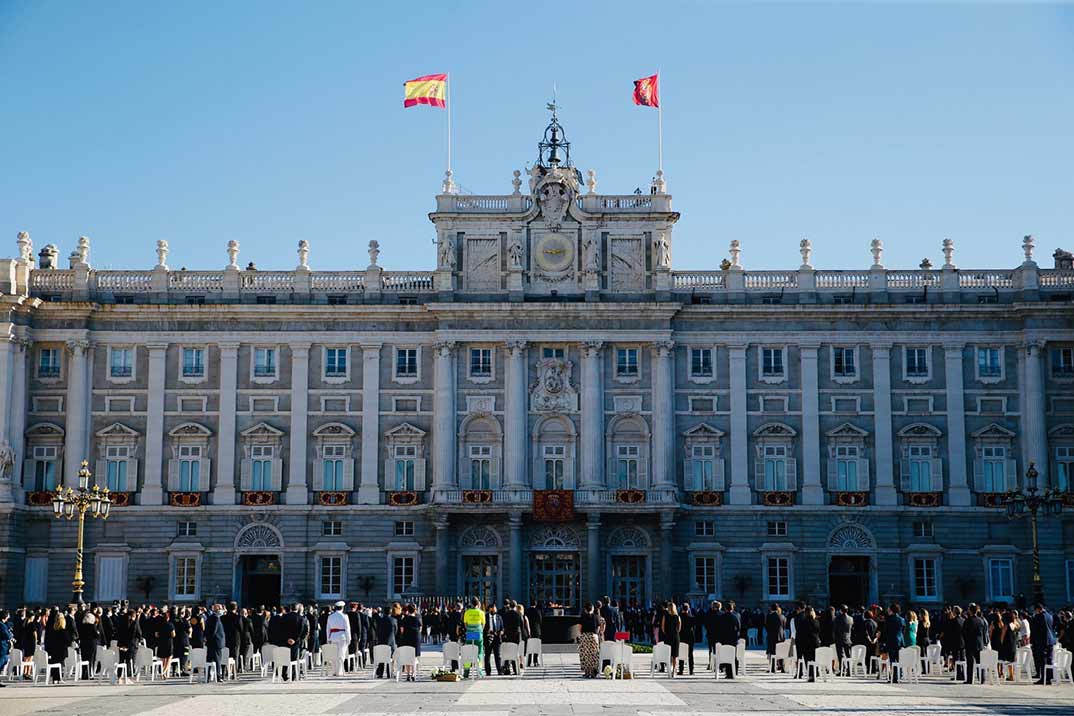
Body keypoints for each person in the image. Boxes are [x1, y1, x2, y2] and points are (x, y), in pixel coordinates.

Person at [961, 603, 988, 685]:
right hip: (980, 644)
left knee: (970, 662)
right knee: (980, 662)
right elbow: (984, 633)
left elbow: (964, 632)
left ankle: (970, 679)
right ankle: (982, 678)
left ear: (970, 610)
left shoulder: (968, 620)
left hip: (970, 644)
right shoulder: (981, 620)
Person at [1030, 603, 1056, 685]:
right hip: (1050, 640)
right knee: (1049, 659)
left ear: (1038, 609)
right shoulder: (1049, 615)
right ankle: (1049, 677)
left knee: (1042, 661)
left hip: (1042, 641)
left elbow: (1035, 629)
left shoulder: (1039, 616)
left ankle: (1044, 678)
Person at [462, 598, 486, 679]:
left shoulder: (467, 612)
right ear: (478, 603)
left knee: (468, 652)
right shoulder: (481, 612)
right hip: (478, 634)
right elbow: (483, 624)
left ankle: (466, 672)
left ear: (471, 603)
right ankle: (479, 672)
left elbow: (465, 624)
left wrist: (469, 629)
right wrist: (479, 631)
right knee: (479, 652)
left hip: (470, 633)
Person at [397, 604, 421, 682]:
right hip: (415, 639)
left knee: (407, 657)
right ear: (415, 610)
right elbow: (420, 629)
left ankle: (408, 674)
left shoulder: (405, 619)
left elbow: (401, 630)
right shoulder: (417, 618)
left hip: (407, 638)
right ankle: (413, 674)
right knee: (414, 657)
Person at [795, 606, 820, 682]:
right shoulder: (816, 622)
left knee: (807, 660)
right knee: (814, 659)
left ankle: (810, 675)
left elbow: (800, 633)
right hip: (815, 642)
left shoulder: (803, 622)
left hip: (806, 643)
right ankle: (815, 673)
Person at [578, 602, 602, 678]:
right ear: (592, 609)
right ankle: (593, 671)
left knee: (585, 654)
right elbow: (598, 628)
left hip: (584, 636)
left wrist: (581, 635)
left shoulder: (582, 617)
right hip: (593, 636)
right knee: (594, 654)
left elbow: (579, 627)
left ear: (585, 609)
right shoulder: (596, 617)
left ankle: (587, 672)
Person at [204, 605, 226, 682]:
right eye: (221, 609)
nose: (222, 610)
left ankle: (207, 676)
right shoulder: (216, 618)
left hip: (211, 643)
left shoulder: (210, 618)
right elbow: (214, 631)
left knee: (209, 660)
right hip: (216, 643)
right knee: (218, 660)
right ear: (217, 610)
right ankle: (218, 676)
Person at [662, 603, 682, 677]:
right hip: (676, 636)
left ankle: (669, 669)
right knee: (675, 655)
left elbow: (663, 627)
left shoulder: (665, 616)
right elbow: (679, 628)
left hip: (668, 636)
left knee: (668, 654)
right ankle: (674, 670)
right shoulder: (678, 617)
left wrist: (667, 633)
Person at [765, 603, 787, 673]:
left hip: (772, 636)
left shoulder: (769, 616)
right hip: (781, 636)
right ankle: (782, 667)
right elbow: (784, 627)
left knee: (773, 652)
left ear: (771, 608)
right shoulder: (783, 616)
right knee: (781, 653)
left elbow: (767, 626)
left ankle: (773, 668)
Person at [832, 605, 853, 671]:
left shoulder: (837, 618)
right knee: (848, 655)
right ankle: (849, 670)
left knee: (840, 655)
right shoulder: (851, 618)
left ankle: (842, 669)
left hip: (839, 638)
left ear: (841, 610)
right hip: (848, 638)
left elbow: (835, 629)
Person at [678, 603, 696, 675]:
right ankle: (691, 670)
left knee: (681, 653)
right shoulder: (691, 617)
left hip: (682, 636)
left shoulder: (679, 617)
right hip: (690, 637)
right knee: (690, 654)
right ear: (688, 609)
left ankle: (681, 669)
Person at [0, 610, 13, 688]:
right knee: (2, 661)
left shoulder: (4, 625)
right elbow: (7, 635)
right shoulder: (2, 625)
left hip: (3, 647)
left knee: (3, 661)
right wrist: (10, 636)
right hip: (2, 647)